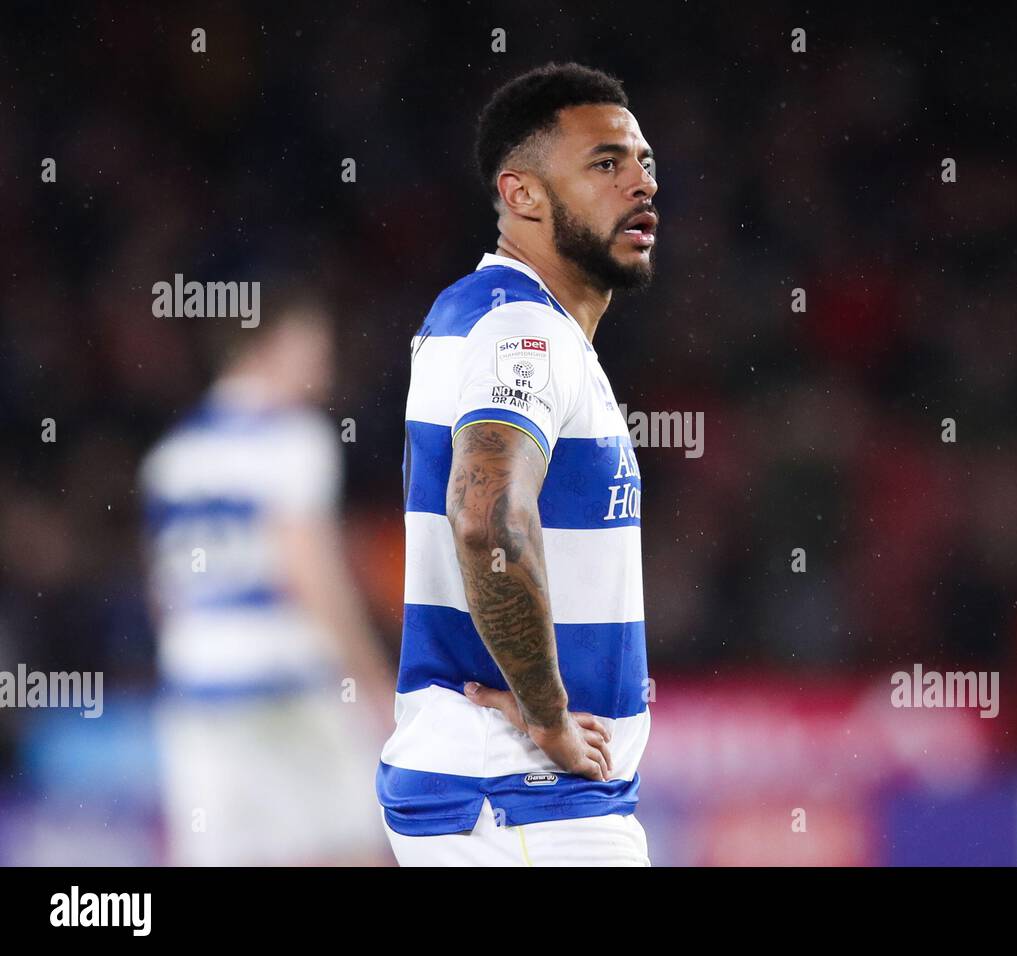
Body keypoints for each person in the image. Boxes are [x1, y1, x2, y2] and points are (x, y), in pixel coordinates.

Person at [377, 62, 659, 865]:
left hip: (507, 803)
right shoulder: (520, 330)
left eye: (644, 163)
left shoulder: (491, 318)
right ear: (523, 194)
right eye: (605, 164)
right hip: (525, 802)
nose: (639, 183)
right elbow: (487, 512)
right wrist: (547, 716)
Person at [140, 296, 393, 865]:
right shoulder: (293, 438)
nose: (324, 365)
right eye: (312, 346)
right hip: (287, 688)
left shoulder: (171, 455)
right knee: (351, 852)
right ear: (268, 345)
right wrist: (374, 687)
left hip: (198, 691)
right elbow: (309, 573)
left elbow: (164, 596)